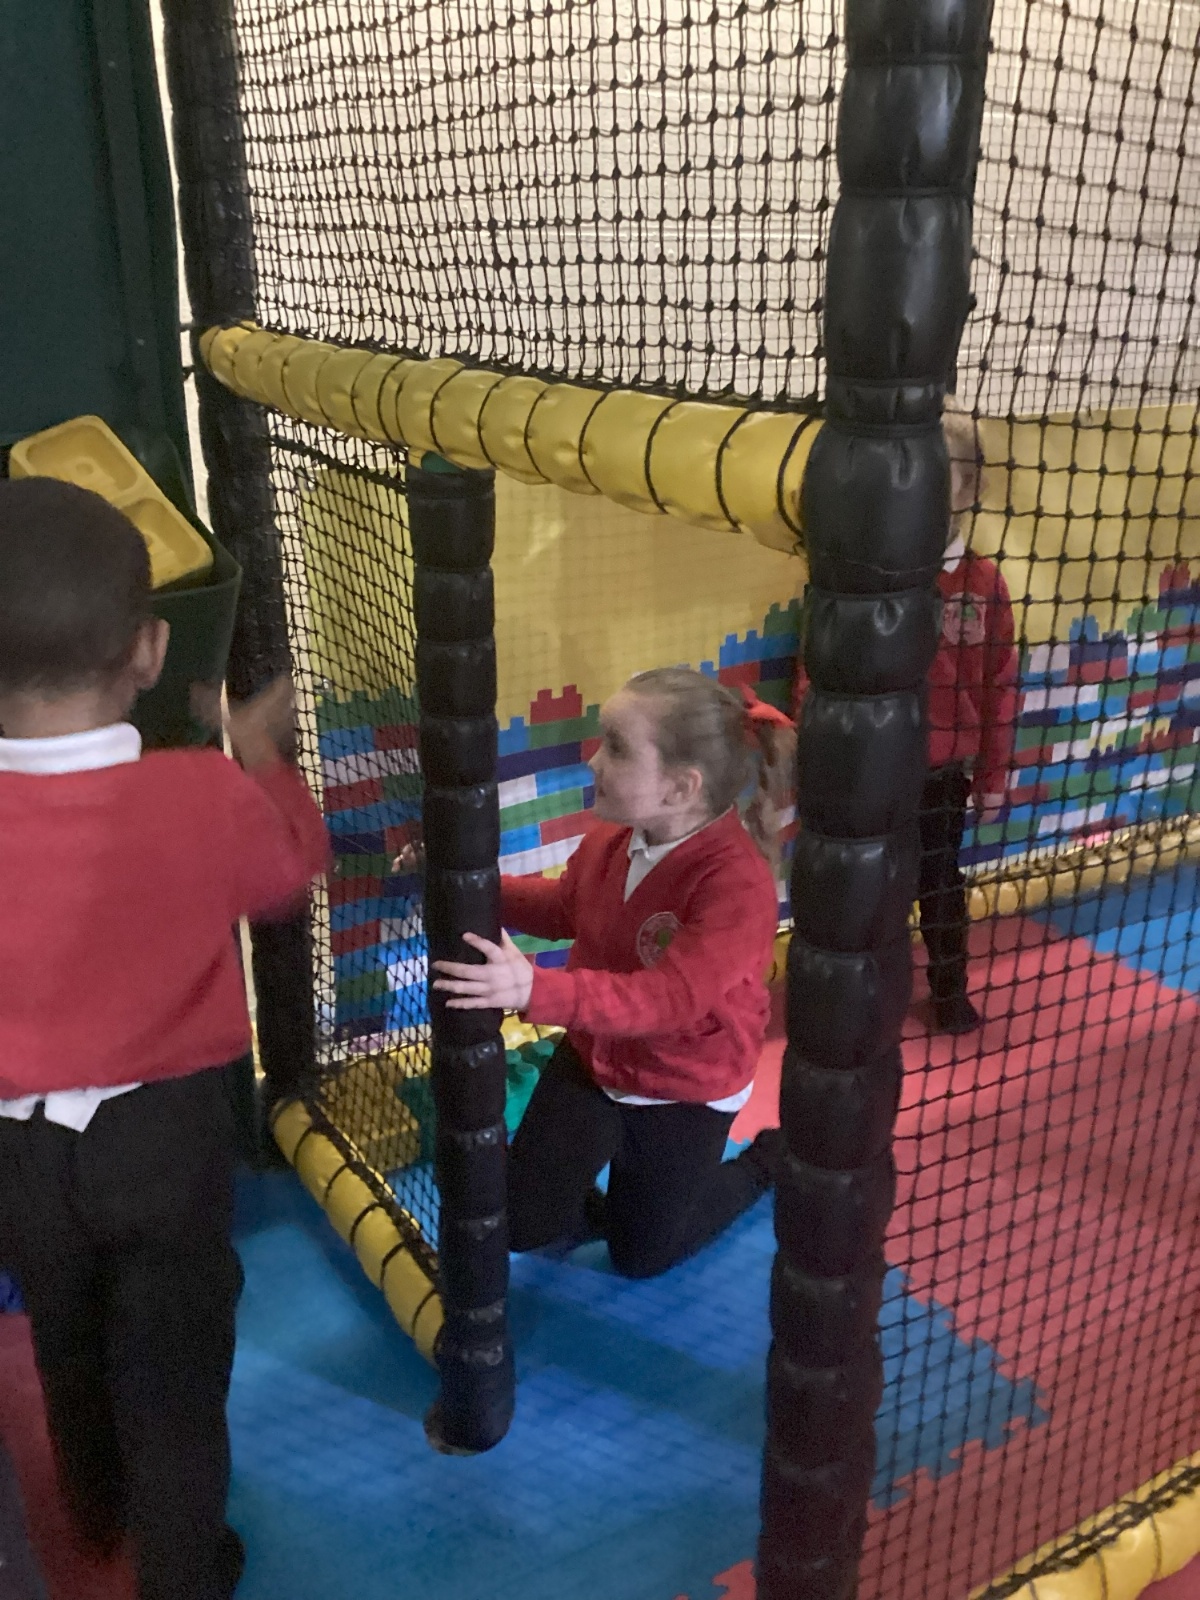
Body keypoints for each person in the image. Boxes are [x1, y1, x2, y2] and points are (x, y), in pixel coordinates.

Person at [0, 478, 329, 1600]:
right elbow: (290, 872)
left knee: (63, 1333)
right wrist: (258, 759)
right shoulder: (201, 793)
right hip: (166, 1140)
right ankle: (182, 1571)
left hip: (23, 1156)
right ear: (148, 651)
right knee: (176, 1375)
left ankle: (93, 1510)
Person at [433, 667, 788, 1280]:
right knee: (522, 1221)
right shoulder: (613, 840)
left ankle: (762, 1162)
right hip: (597, 1058)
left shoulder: (735, 884)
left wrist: (533, 989)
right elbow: (565, 908)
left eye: (617, 748)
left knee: (641, 1257)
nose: (593, 760)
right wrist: (472, 884)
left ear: (680, 788)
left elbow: (669, 998)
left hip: (685, 1084)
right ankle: (612, 1199)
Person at [791, 401, 1018, 1033]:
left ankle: (949, 988)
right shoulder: (864, 570)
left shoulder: (981, 584)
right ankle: (870, 993)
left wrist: (994, 775)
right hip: (869, 768)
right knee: (869, 887)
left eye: (940, 474)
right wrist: (810, 749)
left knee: (939, 881)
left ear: (969, 488)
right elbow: (820, 660)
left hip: (941, 769)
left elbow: (999, 685)